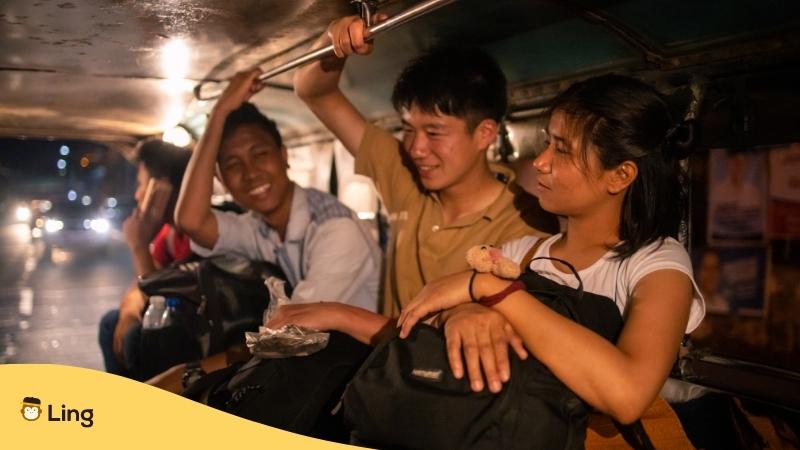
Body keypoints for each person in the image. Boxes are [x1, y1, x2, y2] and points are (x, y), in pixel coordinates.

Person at [398, 74, 706, 424]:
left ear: (620, 176)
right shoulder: (521, 253)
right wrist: (460, 315)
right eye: (547, 143)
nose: (540, 162)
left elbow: (628, 395)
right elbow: (424, 316)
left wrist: (491, 290)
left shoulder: (657, 264)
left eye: (562, 149)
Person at [271, 17, 558, 369]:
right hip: (381, 383)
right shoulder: (406, 177)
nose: (416, 148)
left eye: (434, 133)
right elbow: (312, 90)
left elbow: (455, 348)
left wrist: (336, 314)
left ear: (484, 134)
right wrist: (334, 42)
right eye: (409, 129)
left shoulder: (527, 230)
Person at [147, 70, 382, 393]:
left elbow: (286, 335)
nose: (251, 173)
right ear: (222, 179)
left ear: (284, 156)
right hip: (306, 365)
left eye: (260, 154)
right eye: (233, 165)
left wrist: (188, 374)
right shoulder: (261, 225)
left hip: (352, 377)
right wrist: (218, 114)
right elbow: (192, 221)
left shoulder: (334, 228)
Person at [98, 139, 193, 378]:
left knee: (134, 340)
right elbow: (140, 286)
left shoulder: (199, 235)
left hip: (194, 335)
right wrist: (129, 312)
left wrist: (139, 244)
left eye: (142, 184)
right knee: (113, 322)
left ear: (161, 188)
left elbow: (161, 297)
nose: (138, 194)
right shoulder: (169, 233)